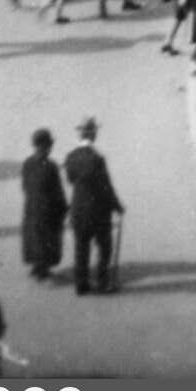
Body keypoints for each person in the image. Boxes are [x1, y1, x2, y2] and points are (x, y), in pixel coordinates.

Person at [64, 119, 124, 294]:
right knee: (104, 247)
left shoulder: (70, 157)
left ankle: (81, 284)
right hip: (98, 210)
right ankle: (102, 283)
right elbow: (106, 186)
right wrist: (117, 206)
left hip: (78, 208)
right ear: (93, 135)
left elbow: (70, 179)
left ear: (80, 135)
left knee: (81, 247)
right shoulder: (97, 158)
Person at [18, 129, 68, 285]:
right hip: (48, 209)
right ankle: (43, 270)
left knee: (34, 237)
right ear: (47, 146)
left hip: (31, 207)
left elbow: (25, 185)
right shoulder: (51, 166)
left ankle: (36, 266)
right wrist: (63, 207)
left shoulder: (27, 163)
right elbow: (57, 190)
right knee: (48, 239)